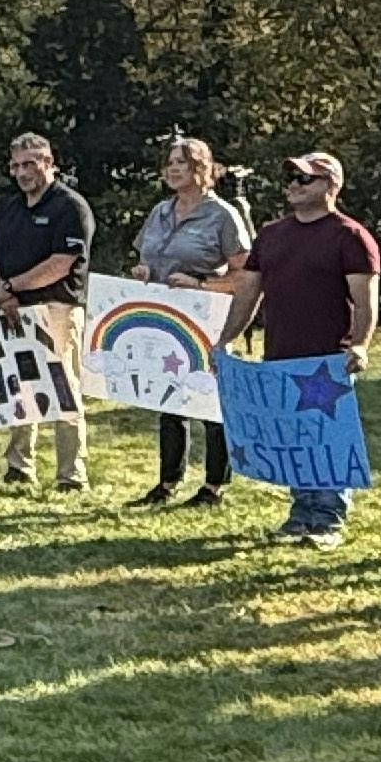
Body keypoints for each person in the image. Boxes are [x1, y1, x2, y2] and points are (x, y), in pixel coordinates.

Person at [217, 152, 380, 547]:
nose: (293, 184)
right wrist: (225, 339)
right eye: (290, 177)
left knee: (327, 438)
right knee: (295, 437)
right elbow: (248, 293)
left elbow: (365, 300)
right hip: (280, 356)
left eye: (305, 178)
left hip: (328, 360)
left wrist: (360, 345)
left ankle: (328, 519)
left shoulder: (350, 236)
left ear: (331, 185)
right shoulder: (271, 235)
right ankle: (301, 513)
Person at [129, 134, 252, 507]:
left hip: (206, 319)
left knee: (210, 402)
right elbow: (146, 256)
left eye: (181, 162)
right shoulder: (159, 212)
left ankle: (214, 485)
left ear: (202, 168)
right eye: (169, 163)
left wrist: (201, 284)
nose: (173, 169)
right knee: (168, 398)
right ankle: (167, 482)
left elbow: (246, 275)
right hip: (166, 318)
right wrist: (143, 272)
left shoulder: (223, 215)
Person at [0, 131, 97, 491]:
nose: (22, 172)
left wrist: (10, 287)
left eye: (30, 164)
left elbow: (61, 263)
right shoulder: (10, 207)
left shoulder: (70, 206)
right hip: (14, 309)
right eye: (16, 165)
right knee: (19, 387)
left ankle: (71, 475)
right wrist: (2, 293)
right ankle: (19, 467)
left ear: (49, 163)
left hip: (57, 308)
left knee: (63, 389)